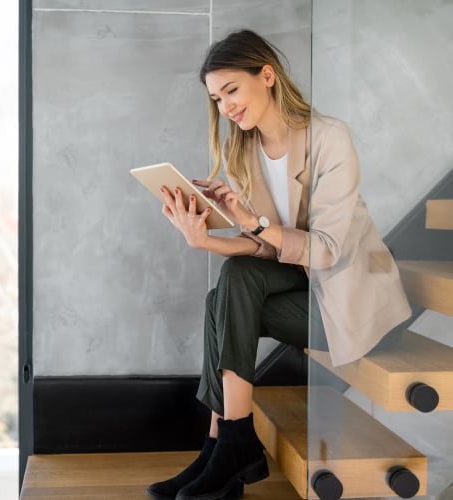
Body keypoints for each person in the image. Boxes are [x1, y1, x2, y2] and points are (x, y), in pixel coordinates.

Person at [146, 29, 412, 500]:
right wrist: (206, 241)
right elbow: (267, 249)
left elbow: (326, 249)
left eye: (231, 90)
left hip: (353, 303)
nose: (225, 107)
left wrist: (254, 220)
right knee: (228, 289)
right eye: (216, 98)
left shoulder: (329, 138)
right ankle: (221, 447)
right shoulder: (241, 149)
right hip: (302, 284)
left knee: (222, 307)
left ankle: (225, 445)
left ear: (266, 75)